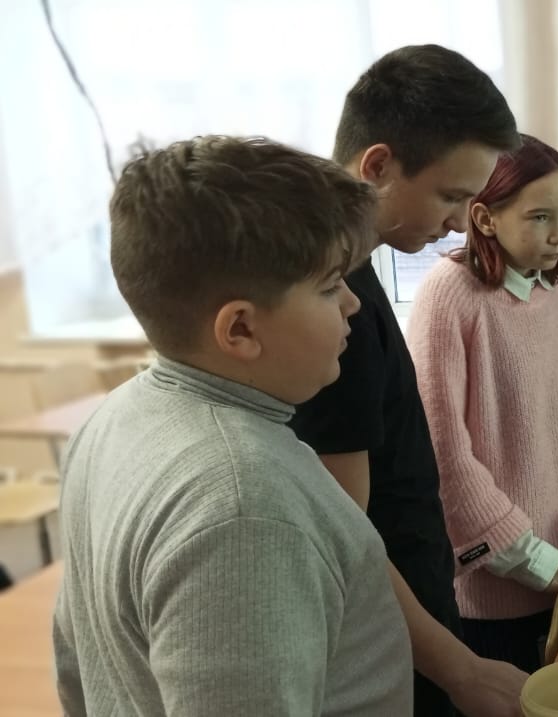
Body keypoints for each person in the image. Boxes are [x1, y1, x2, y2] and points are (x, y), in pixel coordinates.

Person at [54, 136, 412, 714]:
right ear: (240, 329)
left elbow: (76, 669)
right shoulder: (246, 510)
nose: (352, 304)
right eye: (329, 286)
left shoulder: (108, 421)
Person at [288, 44, 527, 716]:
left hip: (416, 613)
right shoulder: (334, 318)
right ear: (378, 166)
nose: (458, 222)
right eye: (451, 196)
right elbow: (348, 539)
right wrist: (461, 670)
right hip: (394, 644)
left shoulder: (353, 275)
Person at [407, 134, 558, 673]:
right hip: (501, 597)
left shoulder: (556, 288)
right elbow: (444, 456)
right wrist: (542, 563)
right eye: (540, 217)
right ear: (485, 218)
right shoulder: (448, 295)